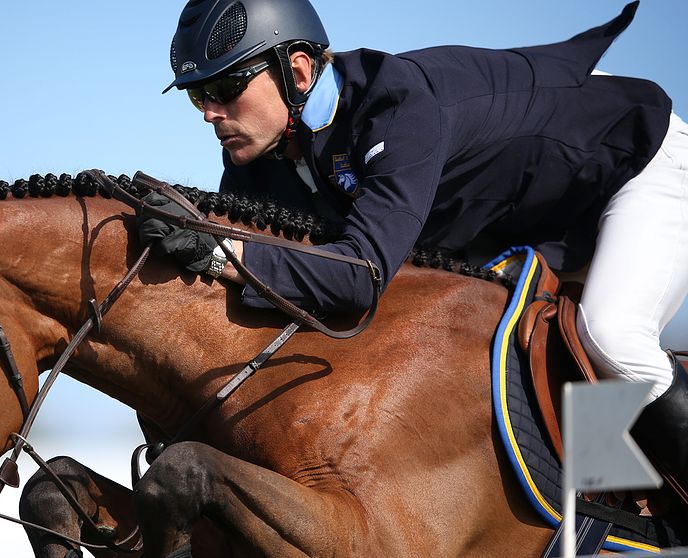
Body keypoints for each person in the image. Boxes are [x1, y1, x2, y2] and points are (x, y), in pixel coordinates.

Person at [139, 0, 688, 493]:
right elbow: (261, 288)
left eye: (225, 89)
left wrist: (219, 252)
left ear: (299, 71)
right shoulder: (257, 159)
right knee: (542, 383)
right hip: (527, 219)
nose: (210, 113)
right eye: (198, 96)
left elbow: (357, 276)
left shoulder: (396, 105)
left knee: (609, 336)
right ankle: (610, 518)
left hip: (635, 162)